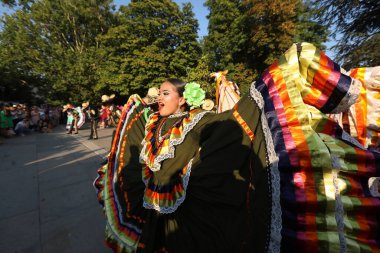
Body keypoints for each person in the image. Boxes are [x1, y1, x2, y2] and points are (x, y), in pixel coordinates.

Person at [94, 43, 380, 252]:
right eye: (159, 94)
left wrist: (262, 95)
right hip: (158, 212)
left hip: (187, 211)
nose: (159, 98)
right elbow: (137, 146)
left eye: (166, 93)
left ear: (182, 100)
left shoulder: (198, 119)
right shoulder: (152, 122)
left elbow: (228, 125)